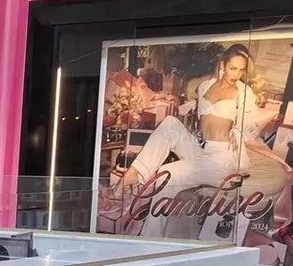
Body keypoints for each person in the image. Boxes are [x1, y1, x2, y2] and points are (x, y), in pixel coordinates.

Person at [122, 44, 285, 239]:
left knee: (169, 174)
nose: (237, 74)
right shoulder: (206, 85)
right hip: (202, 149)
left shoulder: (244, 93)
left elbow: (251, 128)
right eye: (233, 68)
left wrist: (237, 131)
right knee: (170, 124)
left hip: (222, 157)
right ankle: (134, 174)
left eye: (241, 70)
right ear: (223, 65)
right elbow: (198, 118)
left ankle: (148, 238)